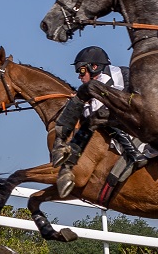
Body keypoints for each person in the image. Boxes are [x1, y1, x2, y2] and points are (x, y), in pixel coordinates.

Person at [51, 46, 146, 197]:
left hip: (138, 121)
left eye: (81, 71)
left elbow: (104, 110)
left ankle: (133, 153)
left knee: (101, 117)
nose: (79, 76)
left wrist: (85, 102)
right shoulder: (97, 82)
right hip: (125, 120)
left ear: (94, 67)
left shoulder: (116, 76)